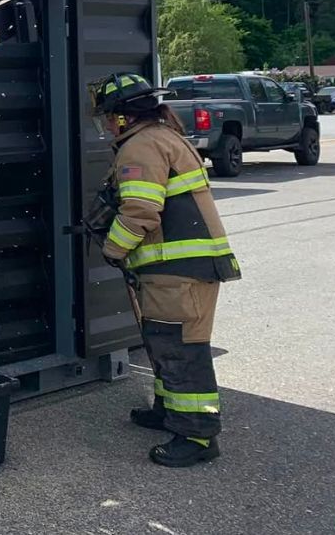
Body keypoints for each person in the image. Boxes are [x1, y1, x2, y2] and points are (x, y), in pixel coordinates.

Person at [90, 73, 241, 467]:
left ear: (123, 117)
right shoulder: (165, 136)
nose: (106, 124)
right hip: (179, 268)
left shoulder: (141, 147)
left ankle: (197, 435)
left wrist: (113, 247)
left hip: (176, 269)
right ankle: (169, 411)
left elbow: (140, 210)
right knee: (163, 340)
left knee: (180, 349)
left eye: (108, 117)